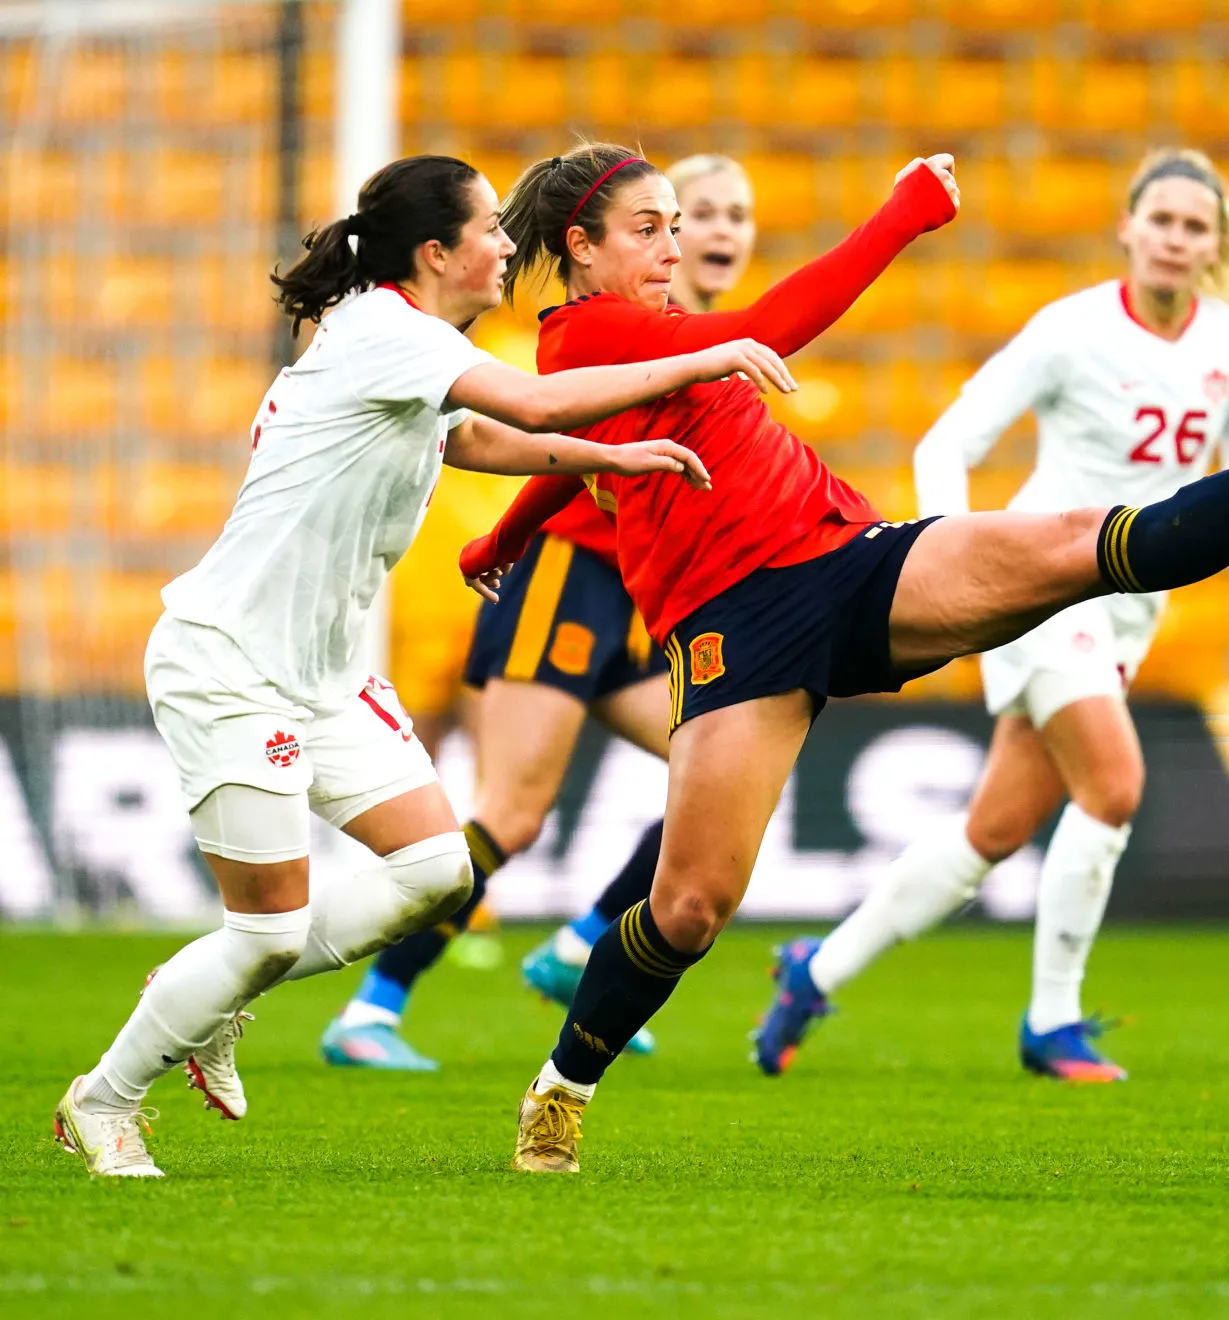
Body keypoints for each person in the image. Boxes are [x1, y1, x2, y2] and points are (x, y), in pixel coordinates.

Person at [461, 142, 1229, 1174]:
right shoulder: (583, 333)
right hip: (734, 625)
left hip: (844, 554)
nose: (672, 248)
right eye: (648, 229)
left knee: (1078, 547)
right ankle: (563, 1087)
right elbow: (751, 336)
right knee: (689, 909)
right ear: (580, 246)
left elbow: (579, 442)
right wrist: (899, 215)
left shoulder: (640, 336)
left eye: (674, 228)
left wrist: (506, 532)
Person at [51, 153, 793, 1178]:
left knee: (435, 871)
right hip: (229, 664)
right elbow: (535, 405)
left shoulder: (408, 344)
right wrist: (699, 358)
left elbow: (475, 438)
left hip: (321, 677)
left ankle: (210, 994)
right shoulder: (388, 332)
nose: (508, 245)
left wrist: (610, 458)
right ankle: (104, 1098)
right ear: (437, 253)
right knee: (266, 933)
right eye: (490, 228)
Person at [751, 148, 1229, 1083]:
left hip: (1132, 607)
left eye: (1194, 226)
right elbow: (947, 442)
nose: (1175, 238)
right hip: (1042, 585)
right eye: (1161, 220)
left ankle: (815, 971)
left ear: (1213, 244)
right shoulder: (1072, 329)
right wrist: (956, 560)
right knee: (1113, 787)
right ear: (1127, 228)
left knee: (991, 831)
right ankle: (1052, 1020)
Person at [320, 153, 761, 1071]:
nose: (712, 233)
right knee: (513, 815)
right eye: (692, 214)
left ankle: (579, 945)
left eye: (732, 216)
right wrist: (510, 536)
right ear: (608, 238)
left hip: (637, 598)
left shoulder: (695, 335)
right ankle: (371, 1007)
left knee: (724, 772)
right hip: (566, 579)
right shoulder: (632, 330)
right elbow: (563, 434)